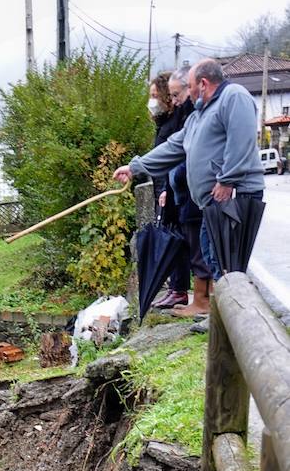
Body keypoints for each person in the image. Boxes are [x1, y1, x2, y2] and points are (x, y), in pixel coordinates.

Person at [113, 59, 265, 315]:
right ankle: (221, 317)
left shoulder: (233, 97)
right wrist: (135, 167)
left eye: (190, 87)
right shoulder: (199, 115)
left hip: (236, 194)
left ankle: (235, 318)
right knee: (215, 258)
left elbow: (242, 141)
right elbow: (174, 147)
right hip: (213, 199)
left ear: (203, 84)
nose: (186, 94)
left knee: (229, 263)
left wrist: (227, 179)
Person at [161, 66, 213, 314]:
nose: (175, 99)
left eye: (177, 93)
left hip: (197, 193)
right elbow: (172, 148)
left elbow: (184, 154)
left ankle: (203, 301)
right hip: (186, 191)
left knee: (201, 249)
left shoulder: (199, 112)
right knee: (198, 245)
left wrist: (177, 178)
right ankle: (203, 300)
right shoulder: (190, 115)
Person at [147, 70, 190, 309]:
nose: (152, 101)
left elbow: (171, 156)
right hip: (164, 187)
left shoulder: (177, 122)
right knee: (171, 235)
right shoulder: (164, 122)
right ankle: (175, 288)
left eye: (155, 95)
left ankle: (179, 289)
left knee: (176, 238)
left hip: (171, 187)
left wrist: (165, 188)